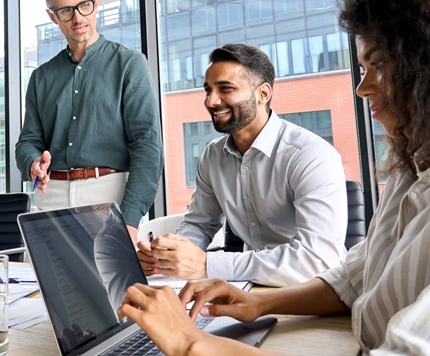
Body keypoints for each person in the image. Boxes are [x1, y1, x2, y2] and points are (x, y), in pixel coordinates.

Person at [118, 0, 430, 356]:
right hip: (330, 331)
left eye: (377, 65)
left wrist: (190, 344)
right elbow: (356, 275)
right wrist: (255, 302)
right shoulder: (415, 162)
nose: (363, 87)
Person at [137, 43, 347, 286]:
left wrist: (206, 265)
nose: (211, 101)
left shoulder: (311, 155)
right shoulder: (212, 156)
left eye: (225, 89)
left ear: (263, 94)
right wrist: (170, 255)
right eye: (208, 90)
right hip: (249, 286)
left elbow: (316, 259)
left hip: (314, 291)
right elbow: (198, 225)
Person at [15, 0, 163, 241]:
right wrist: (33, 162)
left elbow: (147, 145)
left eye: (84, 5)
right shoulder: (41, 77)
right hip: (52, 197)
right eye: (65, 11)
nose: (77, 17)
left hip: (108, 195)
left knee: (110, 283)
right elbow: (27, 142)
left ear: (94, 4)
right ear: (53, 17)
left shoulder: (129, 64)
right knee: (47, 283)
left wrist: (130, 219)